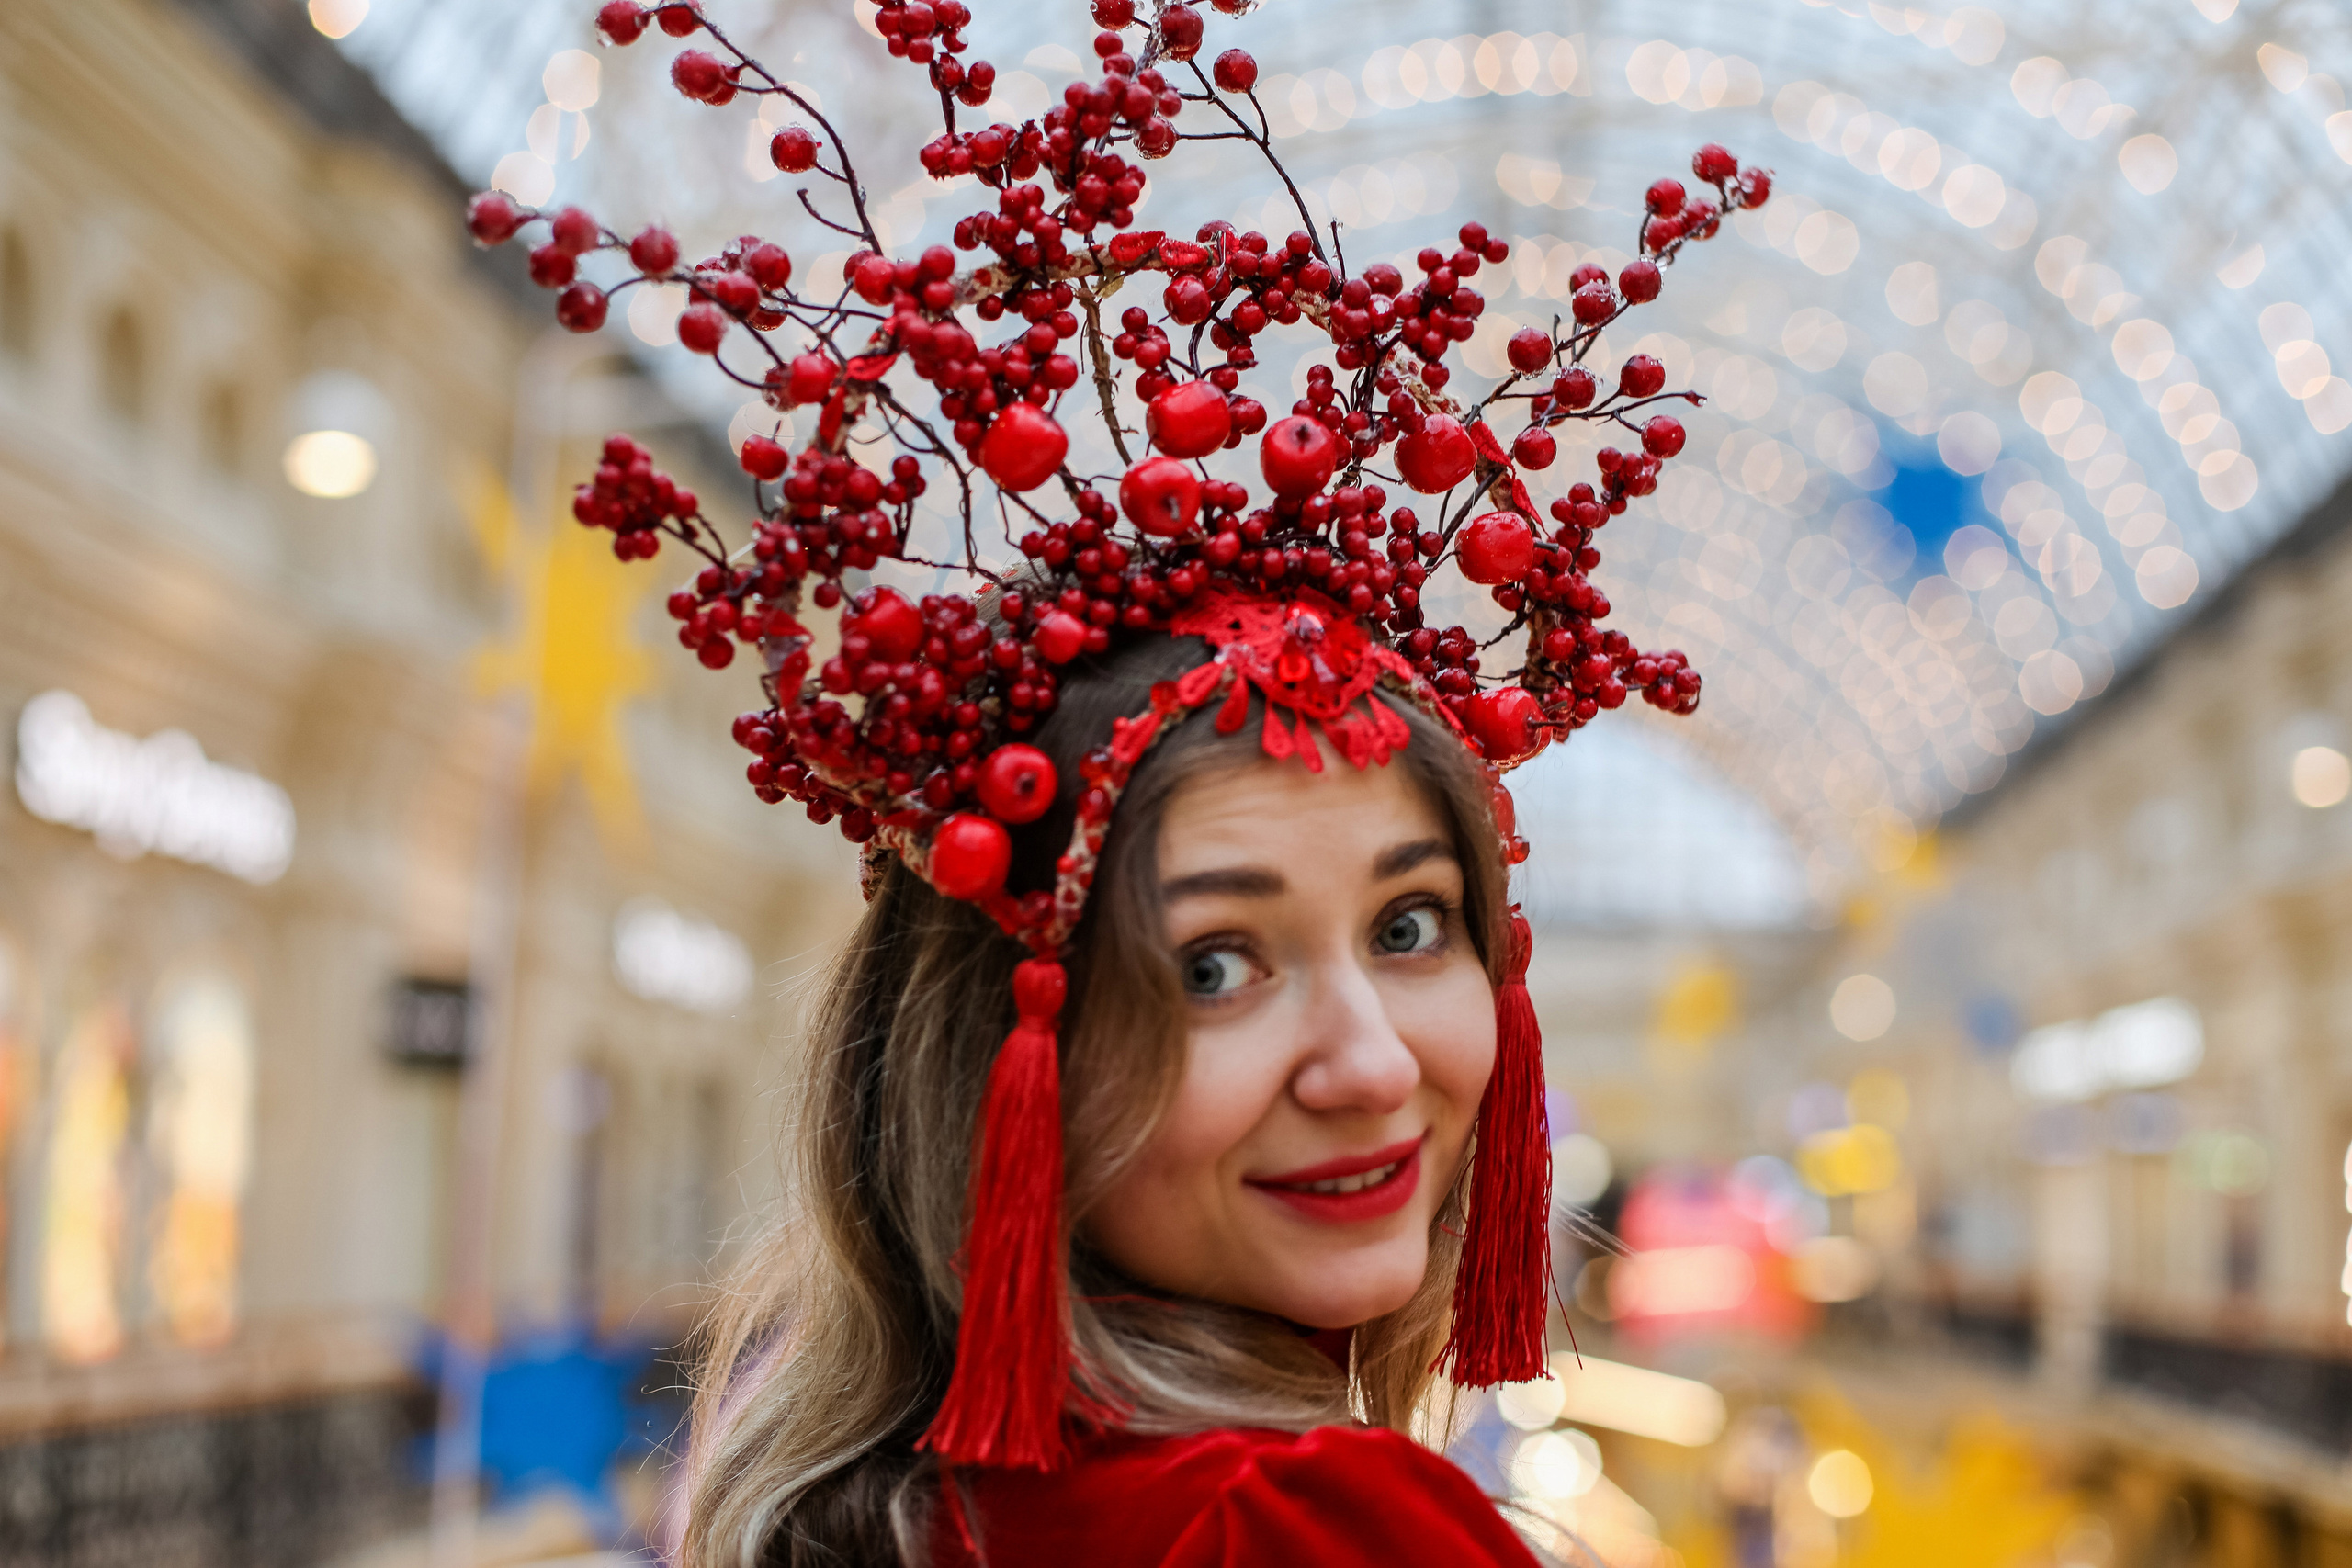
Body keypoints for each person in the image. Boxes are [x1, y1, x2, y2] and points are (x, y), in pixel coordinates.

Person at [681, 614, 1556, 1566]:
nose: (1374, 1066)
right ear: (995, 1055)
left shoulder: (889, 1510)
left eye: (1406, 928)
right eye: (1211, 968)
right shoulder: (1282, 1519)